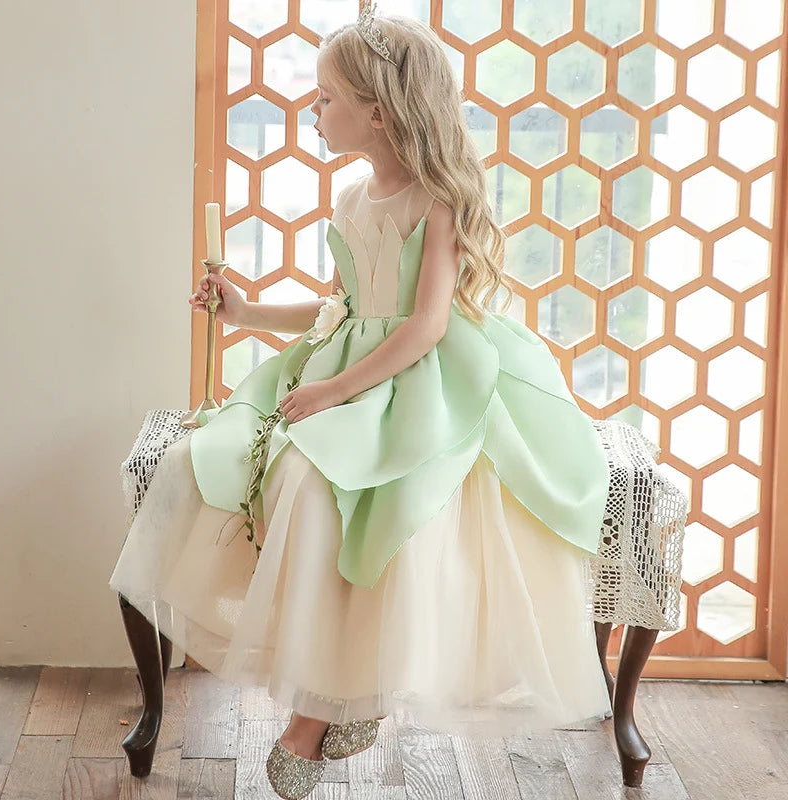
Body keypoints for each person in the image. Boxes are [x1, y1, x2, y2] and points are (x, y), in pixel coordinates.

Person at [110, 4, 612, 798]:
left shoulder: (437, 200)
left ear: (376, 112)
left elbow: (423, 326)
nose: (312, 112)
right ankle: (340, 694)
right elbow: (338, 305)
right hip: (349, 359)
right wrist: (243, 313)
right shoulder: (350, 200)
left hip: (421, 378)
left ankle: (324, 708)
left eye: (324, 99)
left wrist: (335, 391)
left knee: (339, 490)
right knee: (249, 471)